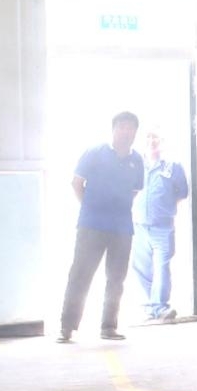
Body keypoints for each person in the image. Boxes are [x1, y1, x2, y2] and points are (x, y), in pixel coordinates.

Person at [59, 111, 144, 343]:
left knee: (116, 279)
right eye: (122, 127)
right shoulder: (95, 153)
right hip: (91, 226)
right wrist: (90, 207)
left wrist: (117, 210)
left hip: (122, 228)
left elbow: (135, 191)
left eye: (130, 128)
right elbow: (76, 183)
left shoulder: (137, 161)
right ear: (113, 129)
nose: (126, 132)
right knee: (80, 275)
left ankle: (109, 327)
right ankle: (67, 327)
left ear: (135, 132)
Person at [130, 129, 190, 323]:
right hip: (138, 226)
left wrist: (165, 209)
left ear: (162, 141)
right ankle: (151, 307)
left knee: (162, 267)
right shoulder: (135, 165)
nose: (151, 141)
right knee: (141, 268)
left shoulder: (173, 167)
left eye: (155, 138)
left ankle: (161, 306)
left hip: (163, 227)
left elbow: (182, 192)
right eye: (148, 138)